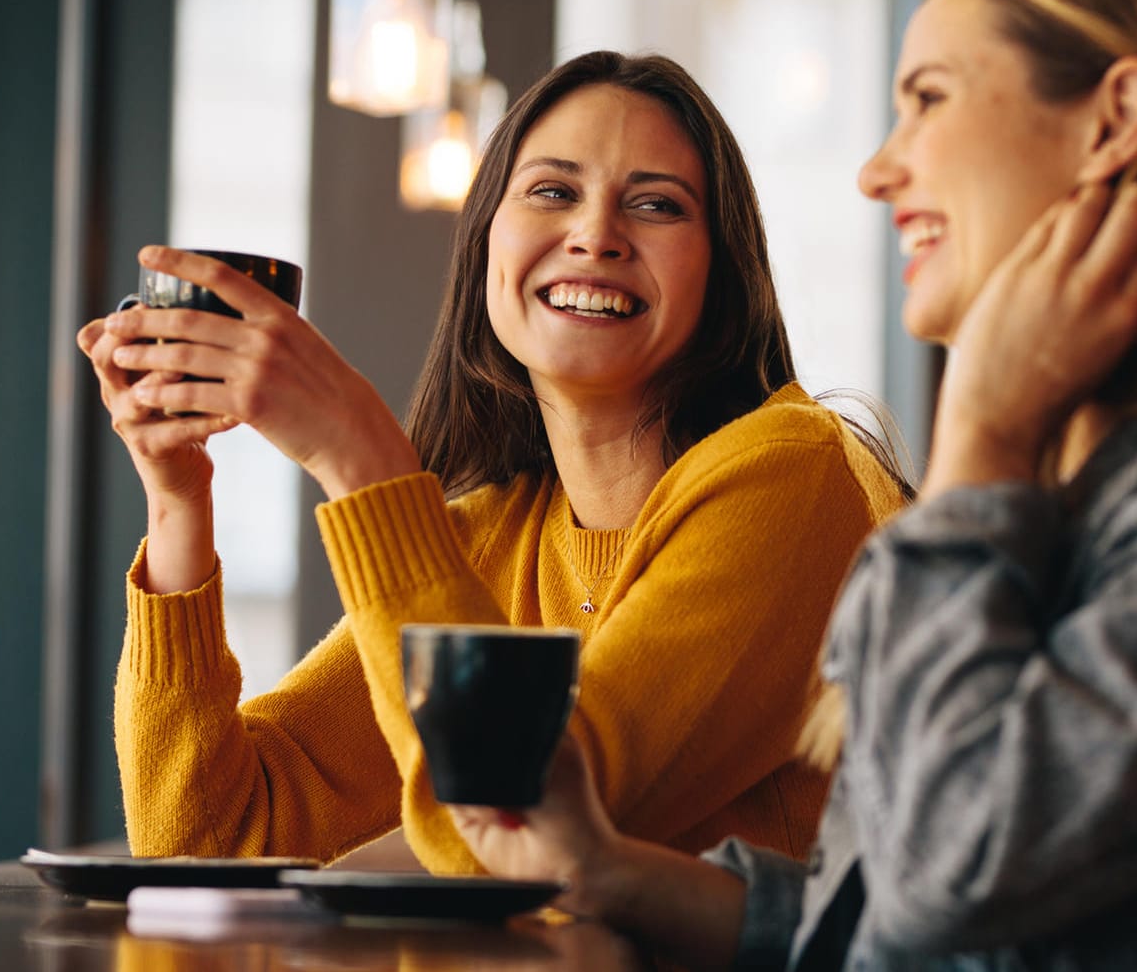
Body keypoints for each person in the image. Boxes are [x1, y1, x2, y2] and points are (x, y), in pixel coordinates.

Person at [444, 0, 1137, 970]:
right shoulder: (1086, 485)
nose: (878, 169)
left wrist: (982, 439)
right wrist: (607, 868)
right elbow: (893, 917)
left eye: (929, 99)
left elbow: (955, 871)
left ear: (1114, 120)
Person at [77, 50, 910, 874]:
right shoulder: (492, 539)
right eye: (553, 191)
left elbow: (528, 828)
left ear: (722, 274)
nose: (596, 235)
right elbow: (207, 842)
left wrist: (356, 451)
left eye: (657, 205)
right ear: (484, 247)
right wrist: (178, 499)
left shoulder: (791, 477)